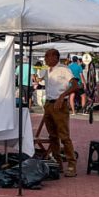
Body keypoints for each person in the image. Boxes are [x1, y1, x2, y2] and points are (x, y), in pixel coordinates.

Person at [39, 49, 79, 177]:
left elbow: (75, 85)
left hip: (60, 105)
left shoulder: (64, 69)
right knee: (52, 136)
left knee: (64, 136)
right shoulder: (46, 70)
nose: (45, 59)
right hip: (49, 104)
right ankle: (57, 162)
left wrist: (63, 96)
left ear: (55, 57)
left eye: (47, 56)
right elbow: (39, 81)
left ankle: (72, 164)